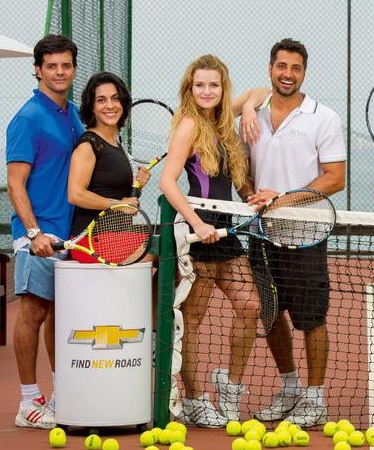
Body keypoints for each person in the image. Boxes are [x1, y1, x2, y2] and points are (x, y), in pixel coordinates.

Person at [160, 54, 265, 427]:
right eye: (200, 85)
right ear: (190, 88)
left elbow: (261, 91)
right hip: (199, 236)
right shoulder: (189, 125)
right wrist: (195, 223)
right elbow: (168, 182)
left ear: (223, 89)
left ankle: (229, 385)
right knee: (193, 323)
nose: (207, 91)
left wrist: (249, 107)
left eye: (214, 85)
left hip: (228, 235)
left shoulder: (223, 121)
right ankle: (194, 399)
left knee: (251, 307)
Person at [247, 38, 346, 428]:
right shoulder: (252, 112)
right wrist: (250, 197)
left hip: (307, 233)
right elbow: (244, 169)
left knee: (311, 318)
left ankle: (315, 397)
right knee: (271, 315)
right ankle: (289, 388)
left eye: (295, 68)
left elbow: (335, 178)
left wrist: (283, 200)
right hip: (261, 233)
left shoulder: (324, 118)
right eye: (281, 66)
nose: (287, 74)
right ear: (270, 68)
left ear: (304, 73)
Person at [6, 34, 84, 429]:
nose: (59, 72)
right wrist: (34, 232)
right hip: (36, 237)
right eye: (51, 66)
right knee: (33, 312)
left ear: (73, 69)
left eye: (65, 65)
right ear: (37, 70)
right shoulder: (28, 118)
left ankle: (59, 391)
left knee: (58, 313)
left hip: (67, 235)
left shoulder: (71, 114)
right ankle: (26, 400)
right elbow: (15, 183)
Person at [67, 71, 151, 263]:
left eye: (115, 99)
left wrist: (137, 186)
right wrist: (119, 204)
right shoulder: (88, 144)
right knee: (166, 247)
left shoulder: (115, 143)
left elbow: (122, 199)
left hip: (116, 236)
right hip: (91, 240)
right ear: (92, 107)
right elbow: (75, 194)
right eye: (101, 100)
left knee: (174, 248)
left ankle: (151, 295)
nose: (110, 105)